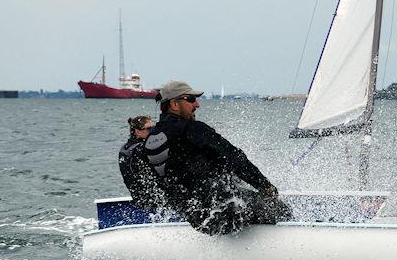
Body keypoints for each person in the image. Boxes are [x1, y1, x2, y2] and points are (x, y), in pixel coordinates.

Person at [144, 80, 291, 235]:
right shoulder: (193, 129)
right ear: (174, 104)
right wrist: (265, 186)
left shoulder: (150, 139)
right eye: (191, 100)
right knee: (279, 208)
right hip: (224, 209)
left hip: (198, 219)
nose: (197, 105)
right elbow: (235, 158)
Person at [118, 115, 167, 211]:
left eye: (154, 128)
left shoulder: (125, 148)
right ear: (138, 132)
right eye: (149, 129)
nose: (153, 132)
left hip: (140, 199)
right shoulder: (140, 149)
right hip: (153, 202)